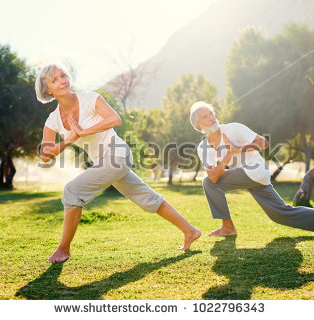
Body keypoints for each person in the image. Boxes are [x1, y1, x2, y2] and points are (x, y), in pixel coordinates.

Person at [35, 62, 201, 262]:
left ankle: (64, 249)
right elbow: (45, 155)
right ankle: (190, 231)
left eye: (63, 75)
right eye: (54, 80)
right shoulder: (53, 120)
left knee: (72, 191)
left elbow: (115, 119)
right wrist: (69, 140)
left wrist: (83, 131)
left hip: (118, 154)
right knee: (146, 197)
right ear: (47, 90)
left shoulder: (90, 99)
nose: (62, 81)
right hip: (103, 163)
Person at [189, 101, 314, 237]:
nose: (211, 118)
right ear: (198, 126)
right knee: (279, 215)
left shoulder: (234, 128)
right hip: (248, 176)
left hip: (255, 171)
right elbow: (214, 177)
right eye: (205, 117)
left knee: (207, 183)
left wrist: (238, 148)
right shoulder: (203, 147)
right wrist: (229, 155)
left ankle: (228, 228)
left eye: (211, 113)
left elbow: (263, 143)